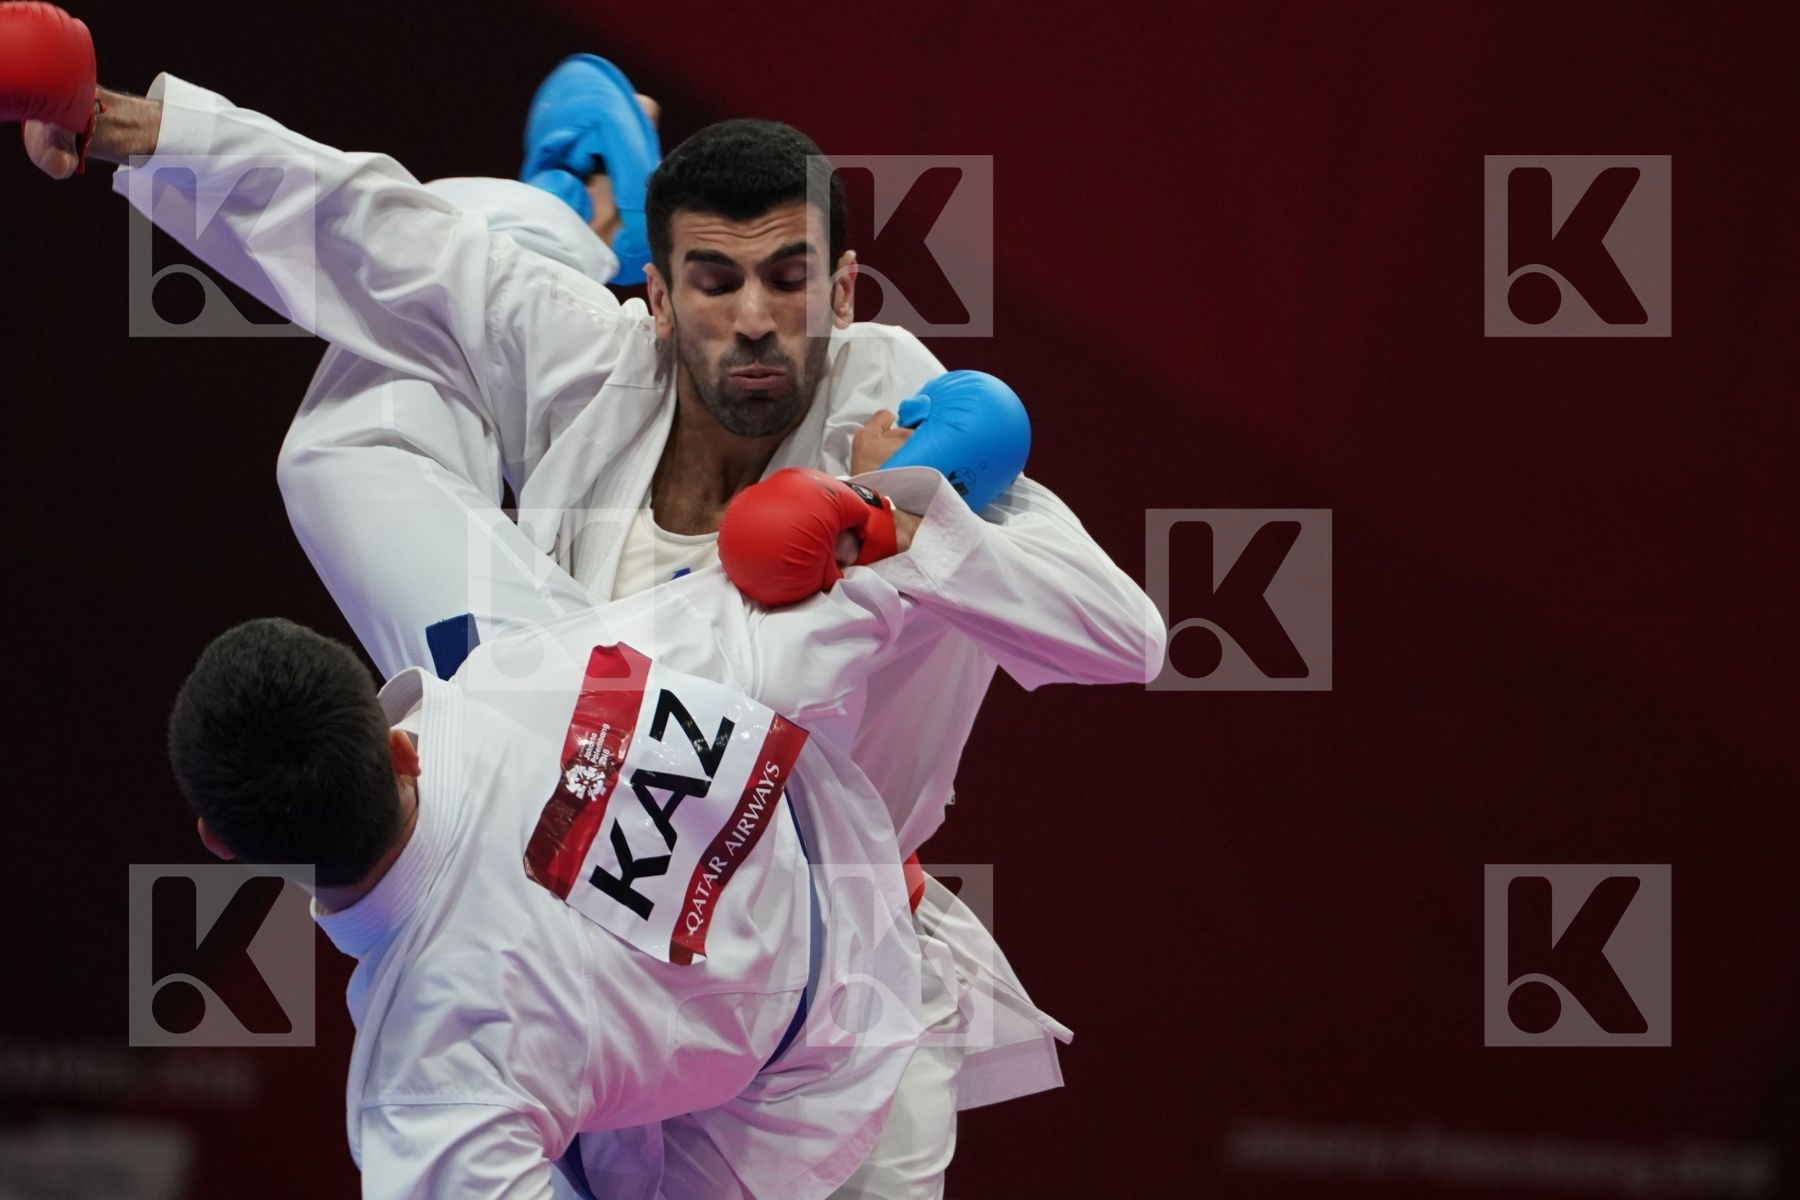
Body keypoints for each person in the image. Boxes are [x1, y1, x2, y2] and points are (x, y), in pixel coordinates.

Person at [4, 8, 1166, 1195]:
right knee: (363, 410)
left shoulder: (909, 417)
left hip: (824, 965)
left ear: (847, 289)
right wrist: (116, 125)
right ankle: (557, 217)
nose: (756, 319)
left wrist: (904, 521)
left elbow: (1126, 637)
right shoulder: (602, 360)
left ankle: (557, 212)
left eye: (790, 279)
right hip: (553, 729)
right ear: (659, 299)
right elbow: (380, 235)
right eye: (715, 282)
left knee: (376, 403)